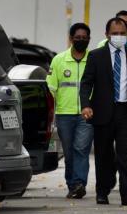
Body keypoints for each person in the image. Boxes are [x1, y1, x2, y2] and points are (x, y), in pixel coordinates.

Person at [80, 17, 127, 205]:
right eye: (115, 34)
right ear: (107, 35)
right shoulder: (96, 56)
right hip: (102, 113)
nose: (119, 37)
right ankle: (102, 191)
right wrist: (85, 105)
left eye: (122, 34)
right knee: (103, 155)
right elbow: (86, 83)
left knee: (125, 155)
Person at [46, 23, 93, 199]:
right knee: (69, 152)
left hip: (86, 113)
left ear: (89, 39)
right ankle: (72, 184)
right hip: (64, 113)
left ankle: (80, 183)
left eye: (84, 37)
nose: (81, 40)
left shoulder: (94, 59)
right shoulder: (59, 60)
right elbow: (51, 88)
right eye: (77, 37)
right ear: (71, 38)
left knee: (81, 148)